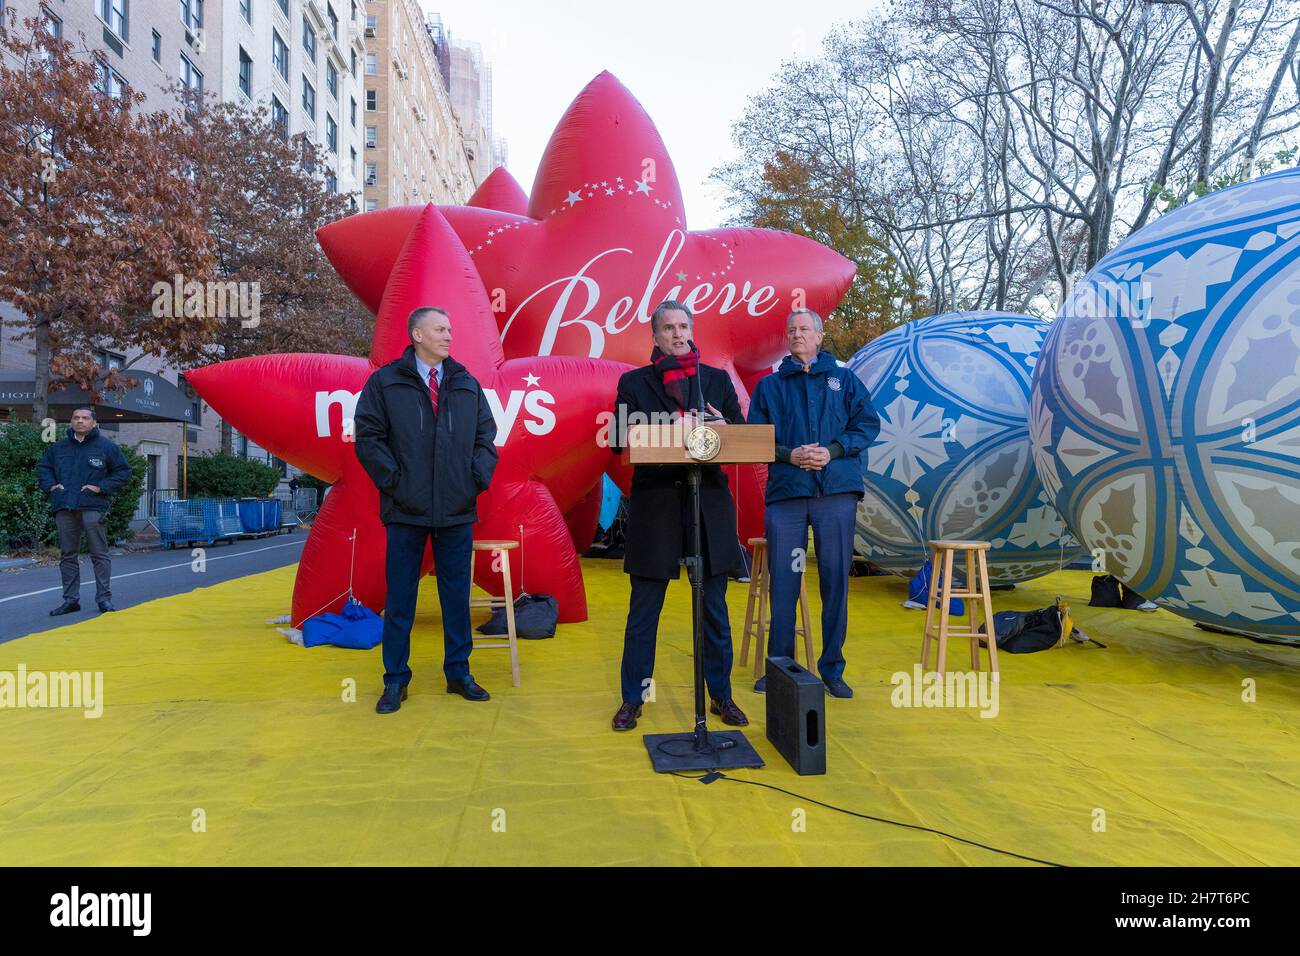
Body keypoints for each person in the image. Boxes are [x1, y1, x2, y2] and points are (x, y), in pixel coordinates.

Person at [608, 300, 749, 732]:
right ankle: (634, 697)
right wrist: (670, 425)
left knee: (714, 610)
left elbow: (743, 435)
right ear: (655, 337)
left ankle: (721, 696)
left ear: (692, 331)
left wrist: (723, 425)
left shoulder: (715, 381)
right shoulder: (634, 382)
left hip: (707, 507)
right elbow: (617, 437)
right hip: (656, 509)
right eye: (667, 327)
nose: (676, 333)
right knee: (643, 611)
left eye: (683, 326)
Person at [353, 306, 499, 714]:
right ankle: (395, 680)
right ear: (417, 334)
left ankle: (459, 673)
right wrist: (396, 483)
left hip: (457, 508)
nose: (449, 336)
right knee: (401, 597)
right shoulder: (385, 383)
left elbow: (487, 436)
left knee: (456, 596)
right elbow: (368, 437)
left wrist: (474, 479)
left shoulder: (465, 382)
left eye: (450, 329)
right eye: (440, 329)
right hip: (405, 509)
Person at [747, 309, 881, 698]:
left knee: (835, 580)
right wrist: (791, 455)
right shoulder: (770, 387)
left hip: (835, 493)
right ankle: (779, 668)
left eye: (804, 329)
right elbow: (756, 438)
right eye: (791, 330)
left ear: (820, 337)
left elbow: (867, 425)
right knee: (784, 581)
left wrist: (834, 450)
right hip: (788, 495)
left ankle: (832, 669)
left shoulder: (844, 379)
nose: (797, 335)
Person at [36, 406, 133, 615]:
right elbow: (44, 468)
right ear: (71, 421)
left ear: (94, 423)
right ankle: (71, 600)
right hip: (64, 505)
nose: (80, 421)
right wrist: (51, 486)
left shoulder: (105, 446)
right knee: (68, 555)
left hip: (93, 505)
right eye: (76, 418)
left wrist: (101, 487)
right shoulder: (59, 448)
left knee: (99, 554)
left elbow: (123, 472)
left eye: (85, 418)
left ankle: (104, 599)